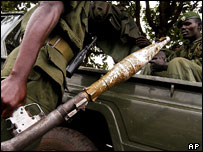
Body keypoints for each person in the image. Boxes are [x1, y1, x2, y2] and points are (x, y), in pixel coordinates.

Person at [1, 1, 150, 150]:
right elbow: (50, 6)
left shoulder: (84, 11)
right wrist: (17, 77)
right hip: (36, 69)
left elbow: (110, 19)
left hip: (46, 72)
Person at [141, 11, 202, 82]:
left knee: (177, 62)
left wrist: (165, 65)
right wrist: (160, 52)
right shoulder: (184, 47)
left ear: (199, 26)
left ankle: (184, 92)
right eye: (180, 26)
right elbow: (170, 58)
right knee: (150, 66)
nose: (183, 28)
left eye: (187, 24)